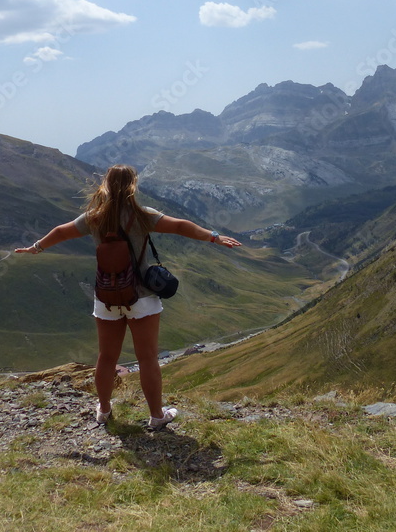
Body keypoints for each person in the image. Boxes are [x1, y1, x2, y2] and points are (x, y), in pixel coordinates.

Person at [15, 164, 241, 430]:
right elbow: (180, 226)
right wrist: (213, 237)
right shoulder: (142, 215)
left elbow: (61, 231)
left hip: (107, 296)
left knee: (106, 357)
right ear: (133, 185)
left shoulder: (93, 217)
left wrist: (36, 247)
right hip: (142, 297)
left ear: (106, 185)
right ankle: (157, 416)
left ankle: (104, 410)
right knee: (147, 358)